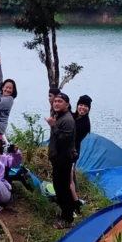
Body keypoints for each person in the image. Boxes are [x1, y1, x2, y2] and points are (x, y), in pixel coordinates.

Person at [47, 91, 77, 229]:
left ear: (67, 104)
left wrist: (53, 126)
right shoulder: (60, 116)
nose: (56, 103)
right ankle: (65, 213)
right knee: (59, 187)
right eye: (55, 101)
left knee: (63, 189)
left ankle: (68, 218)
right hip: (58, 159)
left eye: (60, 102)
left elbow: (63, 141)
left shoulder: (68, 120)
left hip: (63, 160)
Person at [70, 94, 92, 215]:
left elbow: (74, 138)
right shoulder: (72, 116)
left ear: (89, 109)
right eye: (81, 105)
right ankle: (75, 198)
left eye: (85, 106)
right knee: (71, 176)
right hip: (67, 150)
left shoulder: (85, 124)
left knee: (70, 178)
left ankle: (75, 202)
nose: (82, 108)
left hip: (72, 152)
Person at [0, 52, 17, 145]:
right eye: (6, 87)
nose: (7, 89)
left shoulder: (9, 99)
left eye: (10, 88)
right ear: (3, 87)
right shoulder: (0, 93)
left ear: (13, 91)